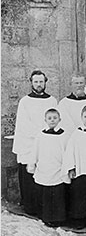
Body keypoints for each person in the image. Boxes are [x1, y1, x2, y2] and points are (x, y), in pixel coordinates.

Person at [13, 70, 57, 216]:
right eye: (36, 82)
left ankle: (43, 207)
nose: (39, 84)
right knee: (28, 174)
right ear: (31, 82)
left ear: (45, 82)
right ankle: (29, 206)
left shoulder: (52, 100)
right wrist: (39, 134)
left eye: (41, 81)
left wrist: (46, 134)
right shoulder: (25, 101)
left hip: (47, 141)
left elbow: (54, 118)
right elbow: (24, 123)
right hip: (29, 142)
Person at [27, 108, 69, 227]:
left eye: (55, 118)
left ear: (59, 119)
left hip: (58, 168)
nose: (52, 120)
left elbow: (67, 151)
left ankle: (58, 218)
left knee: (57, 194)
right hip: (44, 167)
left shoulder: (64, 135)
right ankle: (45, 217)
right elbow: (35, 150)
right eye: (49, 118)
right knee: (45, 194)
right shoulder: (41, 135)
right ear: (45, 120)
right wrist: (32, 164)